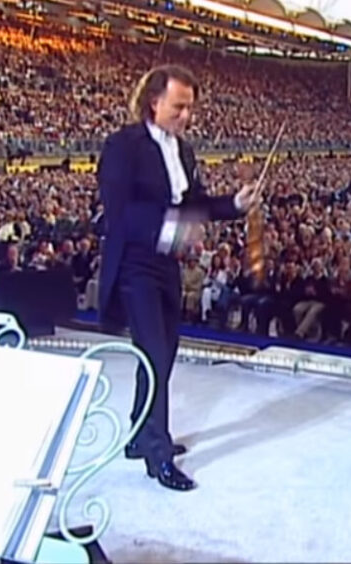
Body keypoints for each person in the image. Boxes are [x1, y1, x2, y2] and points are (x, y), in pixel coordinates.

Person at [97, 64, 260, 491]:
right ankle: (158, 454)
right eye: (179, 106)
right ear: (155, 102)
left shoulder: (183, 151)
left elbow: (196, 204)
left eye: (190, 107)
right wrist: (171, 228)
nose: (188, 115)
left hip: (166, 263)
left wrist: (235, 205)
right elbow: (119, 212)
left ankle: (139, 432)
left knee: (164, 349)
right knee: (152, 348)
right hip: (134, 263)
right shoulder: (122, 146)